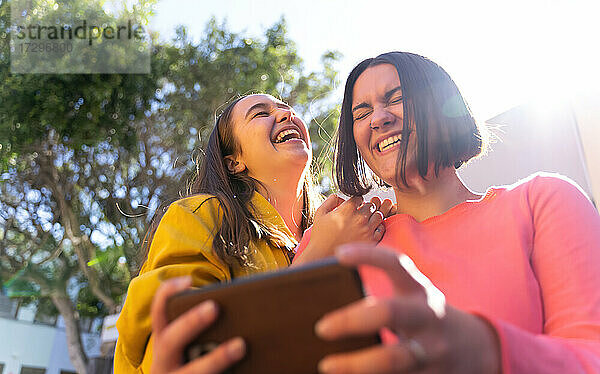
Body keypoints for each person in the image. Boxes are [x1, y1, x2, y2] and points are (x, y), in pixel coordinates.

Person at [296, 51, 600, 373]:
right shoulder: (331, 240)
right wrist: (317, 255)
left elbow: (591, 356)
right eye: (362, 112)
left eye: (396, 98)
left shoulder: (541, 203)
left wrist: (486, 350)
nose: (378, 119)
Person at [114, 93, 391, 373]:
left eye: (287, 109)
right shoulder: (200, 214)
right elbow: (185, 349)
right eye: (261, 113)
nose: (286, 115)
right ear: (234, 161)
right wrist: (317, 259)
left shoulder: (338, 226)